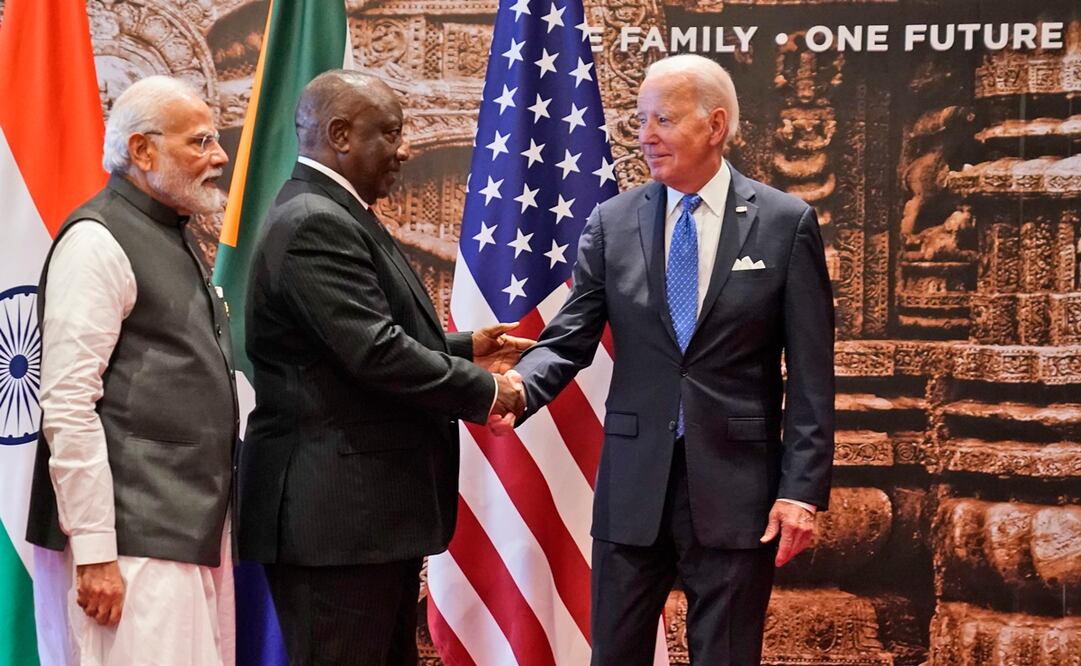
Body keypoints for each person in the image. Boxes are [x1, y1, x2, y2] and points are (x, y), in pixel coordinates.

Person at [500, 54, 835, 664]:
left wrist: (801, 492)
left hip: (739, 491)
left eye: (664, 119)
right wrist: (519, 389)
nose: (646, 136)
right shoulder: (613, 222)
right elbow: (571, 335)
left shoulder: (786, 224)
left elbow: (812, 376)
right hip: (633, 484)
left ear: (715, 125)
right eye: (640, 120)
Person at [238, 69, 528, 666]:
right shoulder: (315, 221)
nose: (403, 151)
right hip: (336, 522)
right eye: (390, 133)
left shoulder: (336, 210)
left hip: (362, 520)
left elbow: (350, 345)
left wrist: (465, 347)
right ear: (339, 134)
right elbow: (374, 354)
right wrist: (490, 390)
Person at [26, 75, 238, 665]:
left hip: (182, 533)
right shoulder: (97, 240)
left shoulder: (166, 231)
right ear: (142, 151)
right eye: (199, 142)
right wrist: (95, 552)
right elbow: (67, 404)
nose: (219, 156)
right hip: (129, 548)